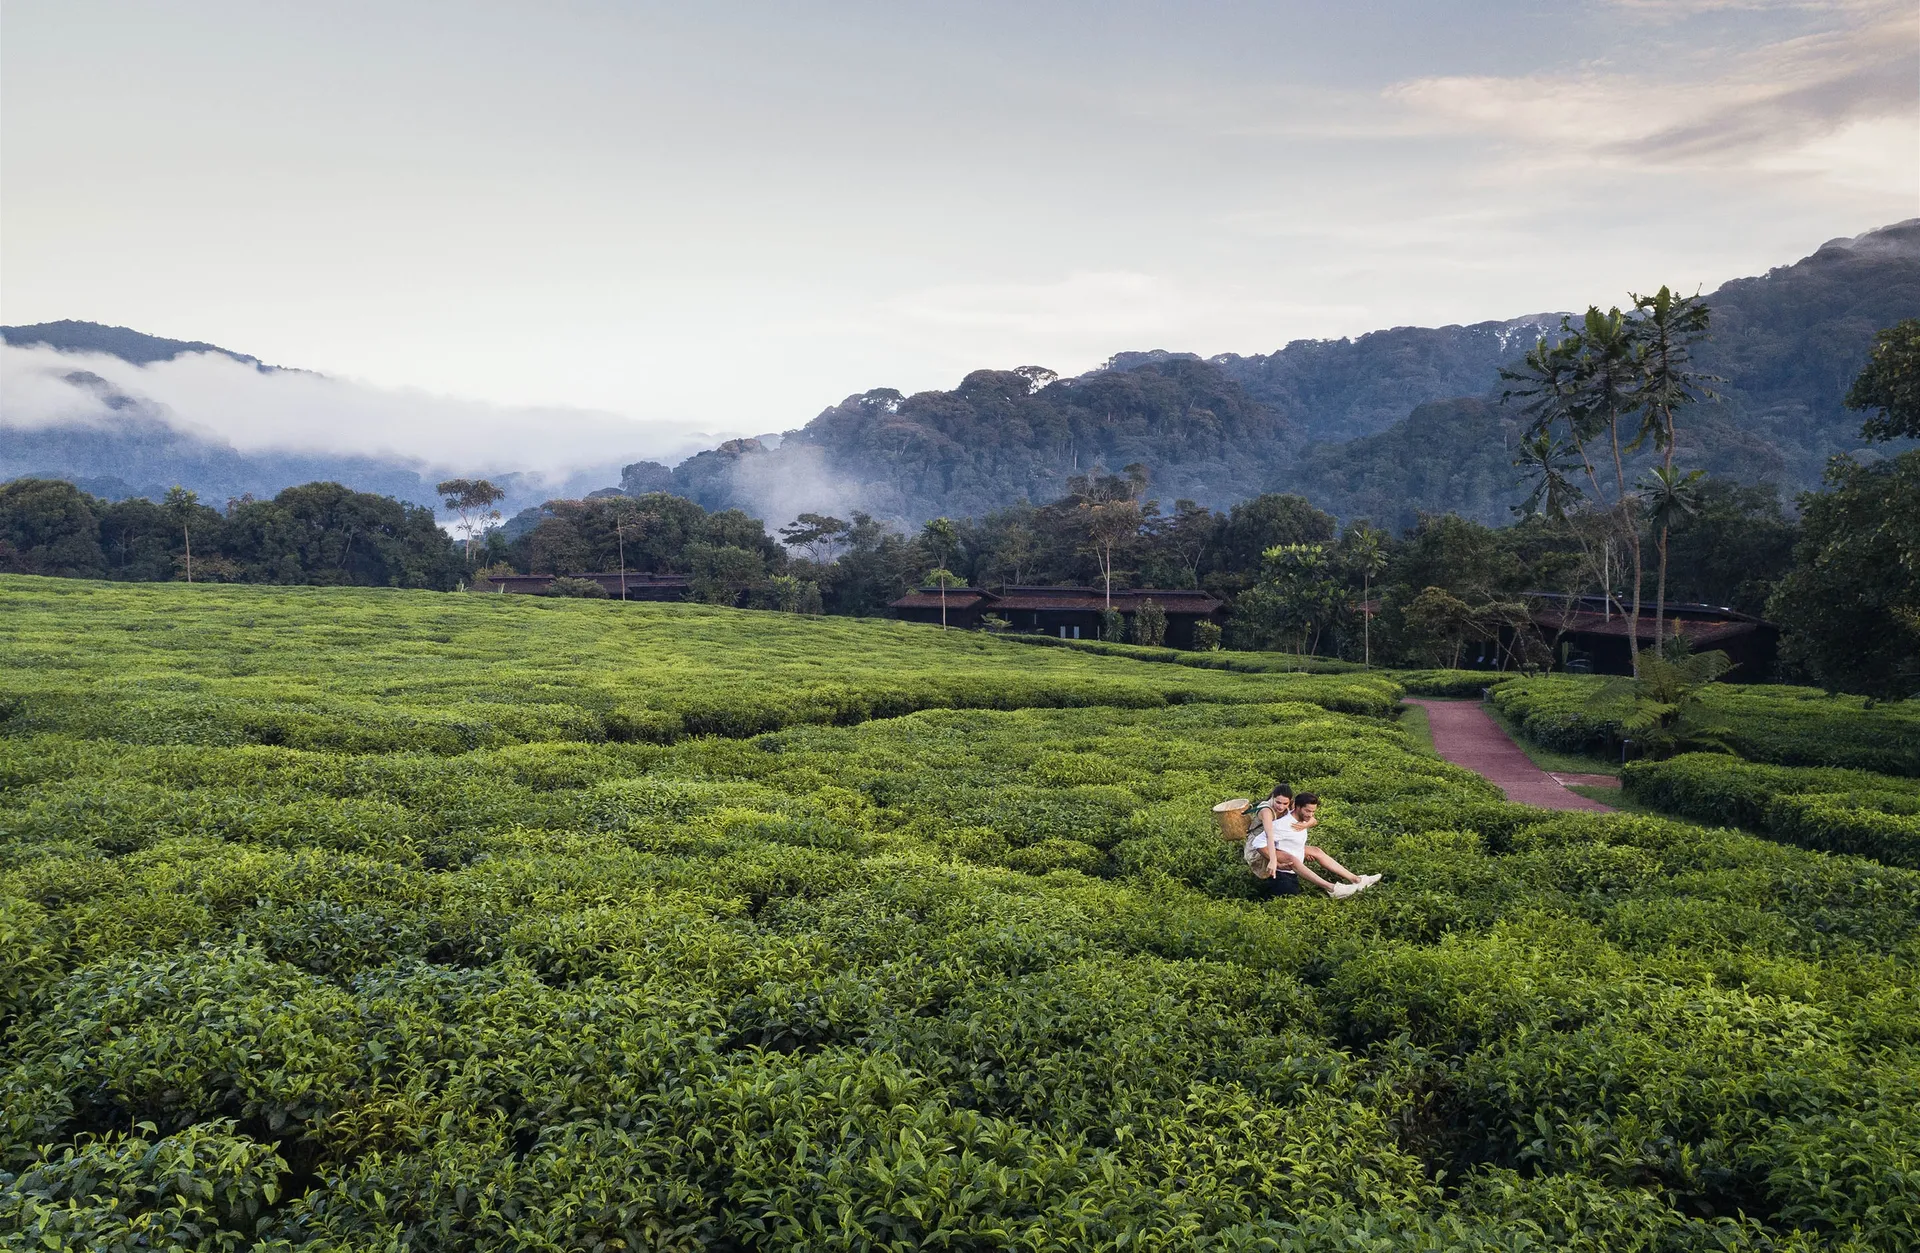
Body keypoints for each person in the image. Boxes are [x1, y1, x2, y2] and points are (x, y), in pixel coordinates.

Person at [1246, 788, 1380, 899]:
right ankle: (1332, 888)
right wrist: (1274, 860)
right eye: (1308, 811)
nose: (1281, 807)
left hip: (1276, 843)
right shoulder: (1271, 816)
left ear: (1291, 803)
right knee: (1292, 859)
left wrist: (1306, 824)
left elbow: (1311, 820)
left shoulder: (1296, 814)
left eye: (1313, 811)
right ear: (1297, 808)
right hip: (1261, 849)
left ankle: (1357, 880)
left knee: (1315, 850)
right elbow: (1262, 840)